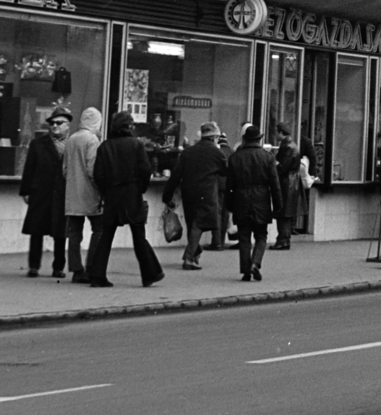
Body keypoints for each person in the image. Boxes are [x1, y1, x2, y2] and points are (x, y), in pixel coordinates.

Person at [85, 111, 165, 288]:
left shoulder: (105, 146)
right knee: (138, 236)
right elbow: (145, 170)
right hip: (131, 194)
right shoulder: (136, 145)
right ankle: (150, 273)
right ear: (129, 127)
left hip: (113, 195)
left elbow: (98, 174)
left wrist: (107, 191)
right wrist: (140, 189)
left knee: (106, 236)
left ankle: (97, 276)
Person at [163, 121, 228, 269]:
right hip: (206, 192)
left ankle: (195, 251)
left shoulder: (188, 151)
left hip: (188, 192)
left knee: (192, 223)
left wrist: (167, 195)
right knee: (198, 225)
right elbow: (226, 171)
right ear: (213, 138)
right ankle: (188, 258)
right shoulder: (217, 152)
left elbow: (176, 174)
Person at [20, 108, 72, 277]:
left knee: (60, 233)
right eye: (52, 123)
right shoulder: (38, 144)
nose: (55, 126)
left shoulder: (72, 144)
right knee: (37, 230)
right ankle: (33, 266)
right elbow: (29, 168)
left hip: (62, 193)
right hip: (40, 192)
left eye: (59, 123)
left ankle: (58, 267)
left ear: (68, 126)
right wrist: (26, 191)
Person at [225, 124, 281, 282]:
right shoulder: (267, 157)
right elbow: (274, 184)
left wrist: (229, 205)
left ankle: (245, 271)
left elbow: (230, 185)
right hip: (261, 200)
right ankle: (255, 263)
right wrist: (277, 206)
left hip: (240, 200)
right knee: (261, 235)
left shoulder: (235, 157)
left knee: (244, 237)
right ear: (259, 139)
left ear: (244, 139)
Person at [63, 107, 103, 281]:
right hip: (90, 194)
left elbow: (64, 169)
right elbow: (92, 169)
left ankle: (76, 269)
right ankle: (91, 266)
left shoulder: (71, 139)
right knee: (99, 230)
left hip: (72, 194)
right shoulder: (92, 140)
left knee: (74, 235)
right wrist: (101, 189)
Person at [272, 125, 301, 249]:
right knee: (287, 212)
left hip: (286, 182)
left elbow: (283, 167)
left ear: (281, 132)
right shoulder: (291, 145)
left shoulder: (287, 147)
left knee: (283, 212)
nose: (275, 135)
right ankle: (284, 239)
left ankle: (283, 240)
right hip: (291, 181)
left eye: (276, 132)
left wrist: (274, 162)